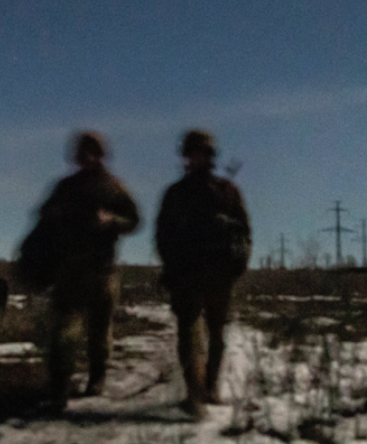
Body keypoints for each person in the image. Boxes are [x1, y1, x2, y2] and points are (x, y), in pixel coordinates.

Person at [34, 131, 140, 412]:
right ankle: (58, 387)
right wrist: (54, 216)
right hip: (69, 271)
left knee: (99, 331)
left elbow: (134, 219)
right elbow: (43, 215)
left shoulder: (113, 186)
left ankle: (97, 376)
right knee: (64, 332)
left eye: (94, 152)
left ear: (102, 155)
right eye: (84, 152)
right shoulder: (65, 187)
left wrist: (112, 220)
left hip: (102, 270)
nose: (89, 157)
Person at [155, 129, 252, 419]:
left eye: (203, 152)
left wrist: (238, 264)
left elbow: (243, 232)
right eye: (193, 152)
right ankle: (194, 393)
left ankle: (211, 386)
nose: (198, 157)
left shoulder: (227, 192)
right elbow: (163, 236)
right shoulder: (176, 194)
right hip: (186, 274)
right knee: (188, 333)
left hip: (220, 275)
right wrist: (172, 266)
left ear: (210, 156)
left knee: (216, 334)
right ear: (186, 156)